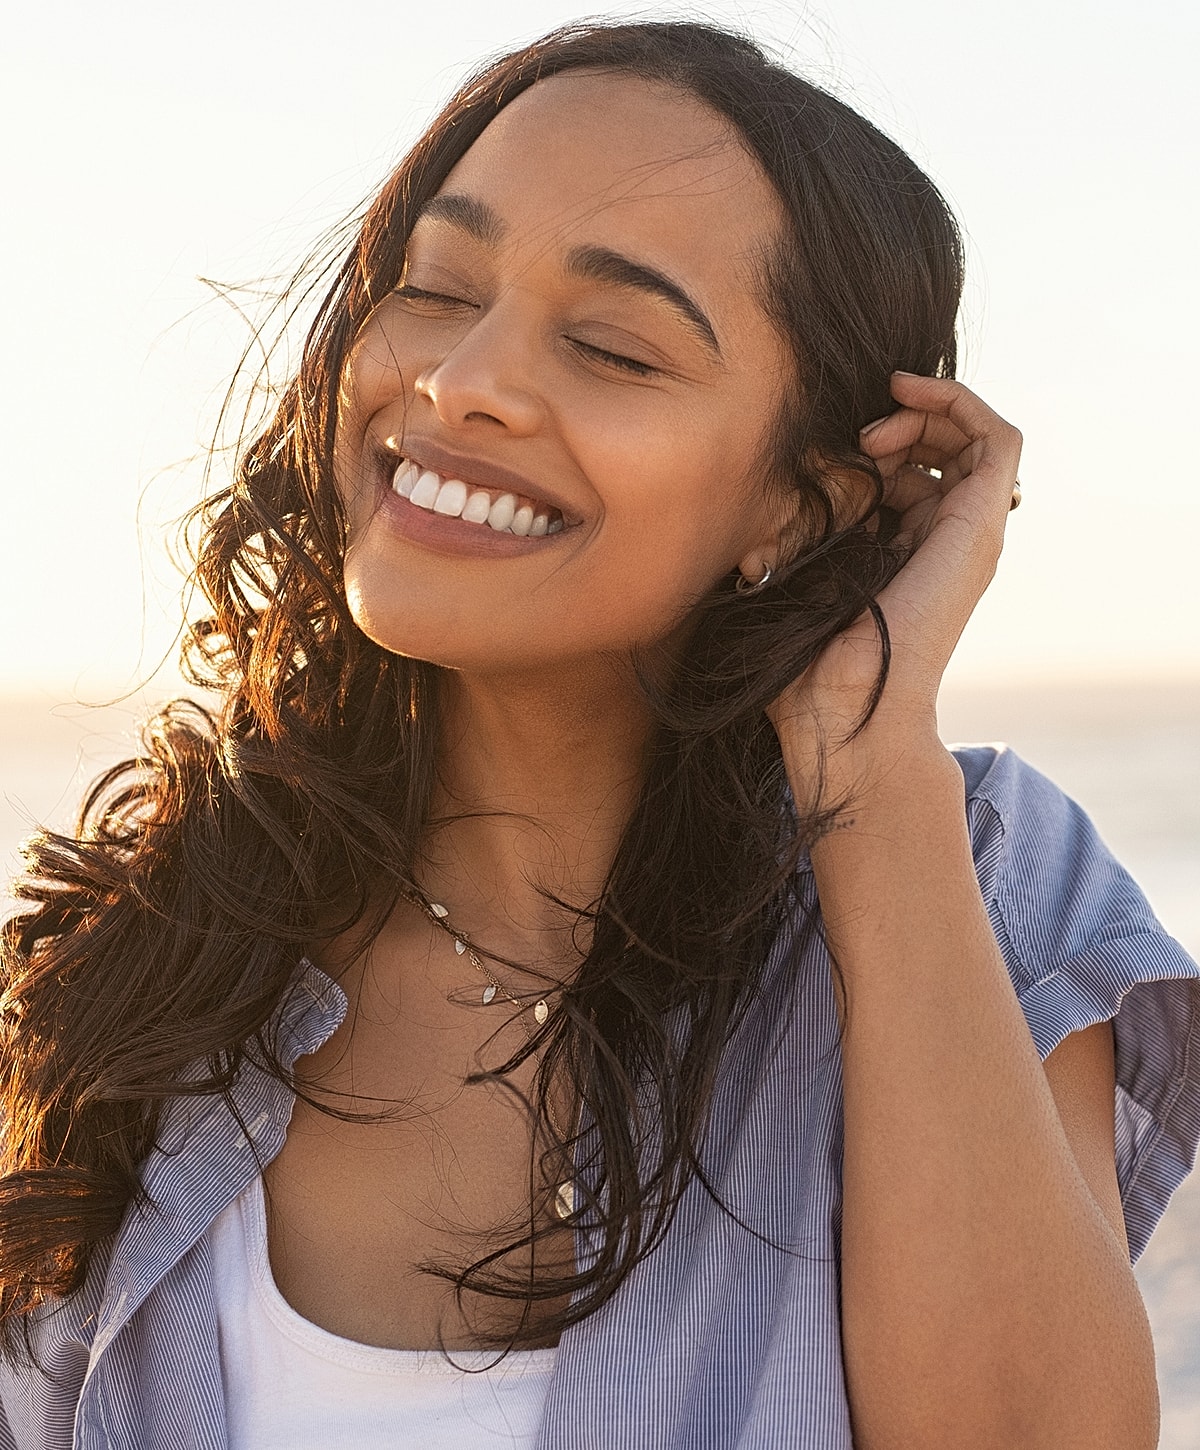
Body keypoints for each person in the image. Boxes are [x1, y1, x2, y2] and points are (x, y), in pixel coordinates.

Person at [2, 19, 1197, 1450]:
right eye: (438, 287)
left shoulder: (975, 877)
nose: (463, 381)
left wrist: (870, 752)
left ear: (797, 505)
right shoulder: (140, 959)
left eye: (611, 347)